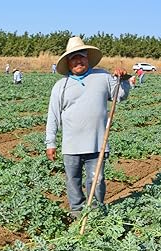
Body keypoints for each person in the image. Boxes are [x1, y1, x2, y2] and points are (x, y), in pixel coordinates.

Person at [45, 36, 130, 219]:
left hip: (97, 143)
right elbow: (53, 115)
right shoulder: (60, 86)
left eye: (81, 56)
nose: (78, 61)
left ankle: (96, 212)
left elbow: (120, 96)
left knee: (97, 180)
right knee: (72, 181)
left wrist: (122, 79)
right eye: (73, 58)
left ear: (87, 58)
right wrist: (50, 142)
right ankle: (76, 211)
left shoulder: (103, 76)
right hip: (71, 145)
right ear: (68, 63)